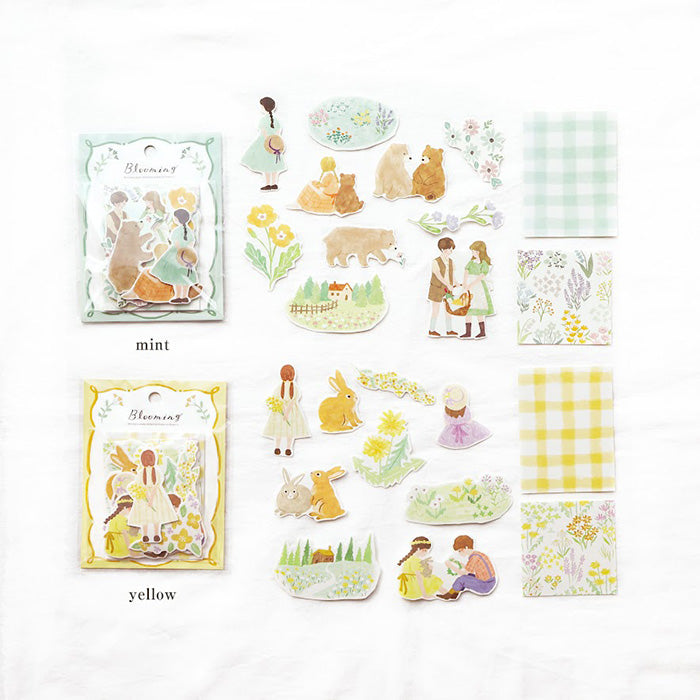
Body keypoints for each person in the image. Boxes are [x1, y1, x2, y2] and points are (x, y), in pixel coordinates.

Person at [147, 208, 198, 303]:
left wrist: (180, 251)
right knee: (184, 276)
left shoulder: (176, 230)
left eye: (174, 218)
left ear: (177, 219)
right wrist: (187, 252)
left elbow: (176, 242)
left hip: (176, 255)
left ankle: (178, 296)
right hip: (187, 256)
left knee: (176, 277)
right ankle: (184, 296)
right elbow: (191, 242)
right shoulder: (189, 231)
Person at [127, 450, 178, 543]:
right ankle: (146, 535)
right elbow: (142, 486)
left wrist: (150, 499)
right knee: (146, 515)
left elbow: (155, 486)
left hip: (155, 495)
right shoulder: (142, 473)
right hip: (145, 495)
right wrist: (148, 497)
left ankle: (156, 534)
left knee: (155, 515)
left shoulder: (156, 472)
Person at [263, 364, 311, 456]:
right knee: (287, 430)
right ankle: (284, 448)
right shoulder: (283, 387)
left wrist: (286, 412)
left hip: (286, 410)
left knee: (281, 429)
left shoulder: (292, 387)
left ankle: (283, 447)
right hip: (286, 410)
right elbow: (289, 401)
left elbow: (291, 400)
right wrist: (285, 411)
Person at [241, 96, 286, 190]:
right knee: (273, 164)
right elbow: (277, 132)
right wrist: (276, 142)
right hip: (275, 143)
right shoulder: (276, 120)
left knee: (266, 164)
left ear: (264, 107)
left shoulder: (263, 120)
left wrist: (267, 141)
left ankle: (268, 184)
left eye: (261, 106)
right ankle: (274, 183)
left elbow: (264, 132)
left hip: (265, 143)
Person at [437, 384, 491, 449]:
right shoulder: (466, 410)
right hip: (466, 428)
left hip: (451, 430)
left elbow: (446, 421)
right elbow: (469, 418)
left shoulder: (447, 412)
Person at [397, 536, 448, 600]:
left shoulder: (412, 559)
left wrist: (429, 568)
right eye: (424, 550)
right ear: (418, 549)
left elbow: (422, 574)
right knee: (433, 579)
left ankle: (447, 594)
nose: (426, 553)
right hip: (412, 587)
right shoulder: (415, 561)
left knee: (432, 578)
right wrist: (424, 595)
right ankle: (447, 594)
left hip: (409, 585)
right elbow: (419, 577)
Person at [462, 240, 494, 339]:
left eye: (474, 251)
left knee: (479, 309)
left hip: (478, 287)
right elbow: (466, 271)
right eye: (472, 251)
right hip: (469, 287)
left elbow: (481, 276)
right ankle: (468, 332)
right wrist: (465, 282)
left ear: (480, 252)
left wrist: (471, 284)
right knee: (468, 310)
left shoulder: (484, 264)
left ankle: (482, 331)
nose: (473, 253)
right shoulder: (471, 262)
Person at [427, 237, 457, 337]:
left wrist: (456, 283)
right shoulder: (436, 261)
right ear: (443, 249)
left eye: (452, 248)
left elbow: (452, 275)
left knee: (448, 309)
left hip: (448, 289)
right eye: (449, 248)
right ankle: (431, 330)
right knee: (435, 310)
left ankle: (449, 330)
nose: (451, 250)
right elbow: (438, 275)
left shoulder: (451, 261)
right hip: (437, 288)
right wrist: (448, 284)